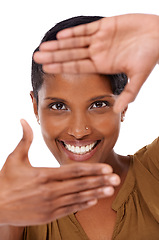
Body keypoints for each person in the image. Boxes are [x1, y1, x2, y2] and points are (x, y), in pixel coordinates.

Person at [0, 13, 159, 240]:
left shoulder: (154, 172)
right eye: (58, 106)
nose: (78, 130)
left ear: (124, 105)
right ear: (35, 107)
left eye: (98, 104)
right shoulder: (20, 209)